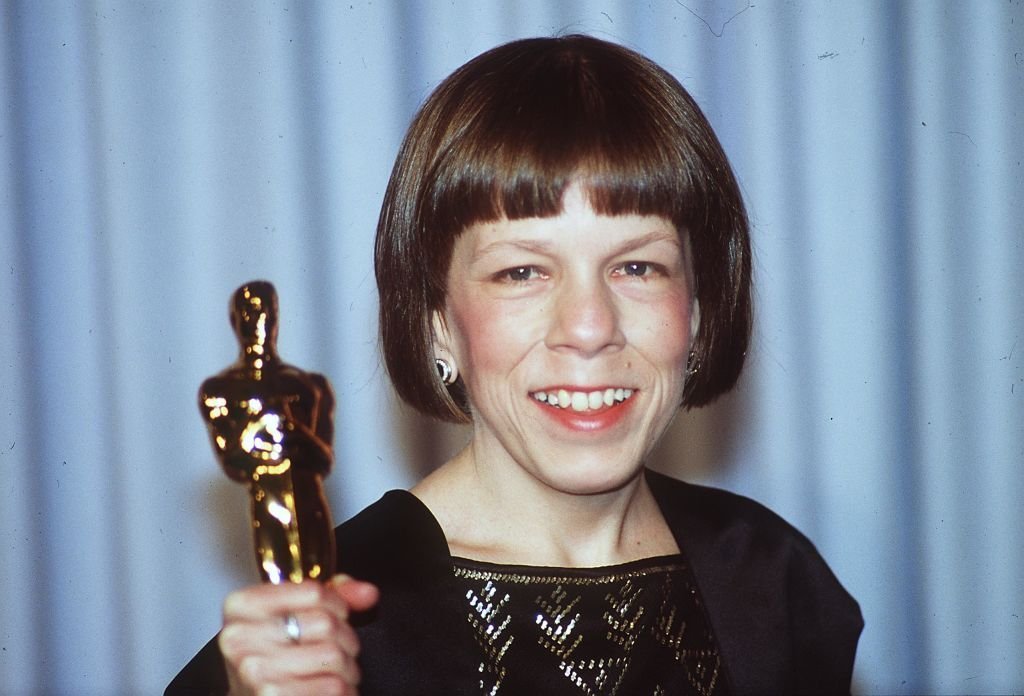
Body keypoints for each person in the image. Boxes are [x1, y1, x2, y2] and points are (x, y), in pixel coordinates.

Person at [168, 34, 862, 695]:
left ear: (702, 311)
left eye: (638, 266)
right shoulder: (335, 630)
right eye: (522, 271)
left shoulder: (777, 581)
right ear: (436, 321)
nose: (589, 329)